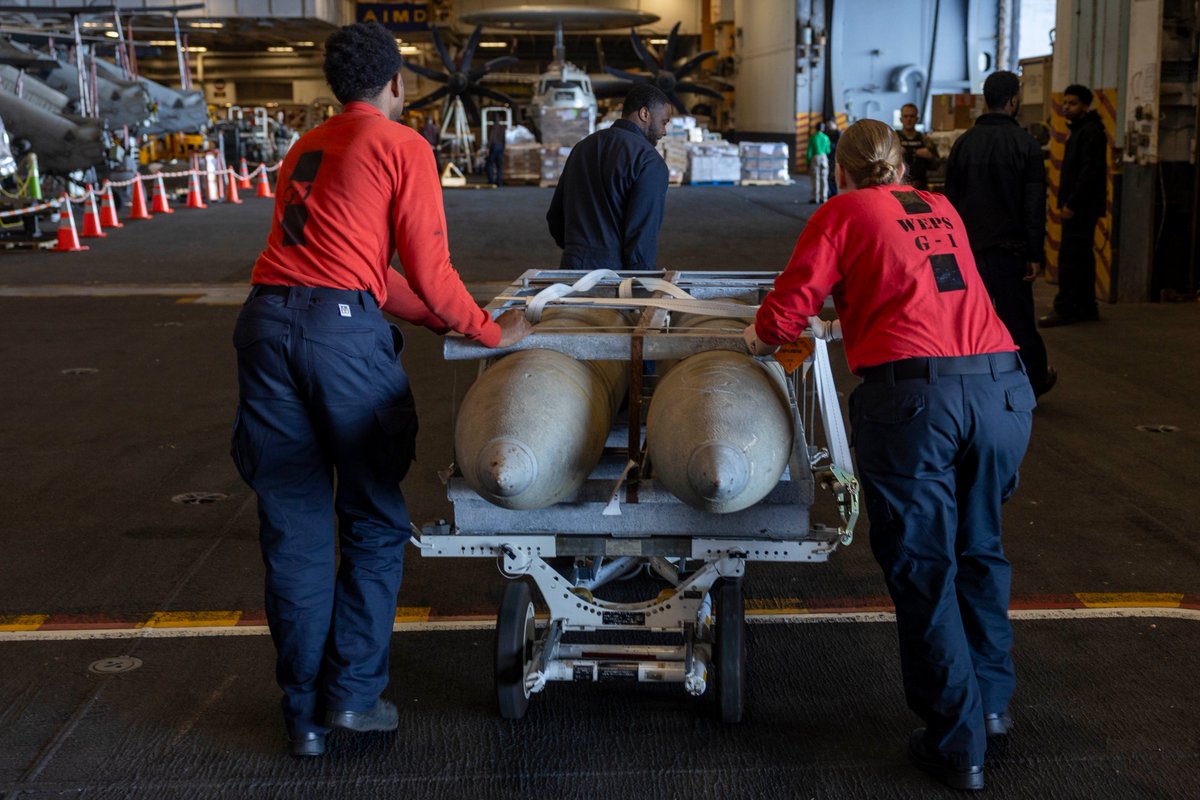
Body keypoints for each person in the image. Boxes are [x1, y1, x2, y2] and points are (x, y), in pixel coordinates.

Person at [230, 22, 530, 759]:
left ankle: (301, 715)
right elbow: (426, 265)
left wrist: (434, 320)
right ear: (396, 82)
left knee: (294, 529)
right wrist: (490, 330)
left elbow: (362, 267)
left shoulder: (309, 145)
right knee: (371, 517)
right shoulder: (402, 146)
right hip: (339, 341)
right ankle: (354, 699)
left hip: (267, 325)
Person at [744, 119, 1034, 792]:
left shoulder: (841, 212)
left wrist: (767, 337)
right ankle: (990, 707)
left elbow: (781, 318)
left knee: (925, 565)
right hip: (1001, 392)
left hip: (916, 409)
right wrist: (848, 323)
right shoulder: (939, 208)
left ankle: (955, 742)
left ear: (838, 170)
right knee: (981, 549)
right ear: (901, 167)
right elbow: (930, 295)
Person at [945, 70, 1056, 397]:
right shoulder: (1026, 144)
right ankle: (1033, 384)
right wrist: (1034, 254)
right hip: (1011, 253)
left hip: (969, 253)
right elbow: (1034, 204)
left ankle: (963, 385)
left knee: (966, 319)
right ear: (1013, 101)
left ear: (986, 100)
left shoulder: (963, 144)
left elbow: (949, 204)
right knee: (1018, 322)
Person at [546, 84, 671, 269]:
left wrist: (579, 252)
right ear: (644, 114)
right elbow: (641, 236)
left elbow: (555, 217)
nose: (664, 132)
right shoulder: (649, 161)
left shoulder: (582, 147)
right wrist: (643, 284)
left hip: (572, 269)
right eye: (664, 122)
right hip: (614, 277)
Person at [1040, 84, 1107, 327]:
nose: (1067, 107)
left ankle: (1067, 308)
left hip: (1080, 208)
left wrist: (1073, 203)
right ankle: (1086, 306)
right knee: (1081, 258)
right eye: (1065, 102)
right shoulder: (1082, 130)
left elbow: (1088, 172)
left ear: (1085, 106)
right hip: (1082, 206)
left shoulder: (1089, 131)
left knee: (1070, 258)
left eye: (1073, 103)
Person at [897, 102, 940, 190]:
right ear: (901, 119)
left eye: (912, 116)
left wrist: (930, 156)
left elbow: (937, 165)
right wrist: (895, 154)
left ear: (917, 119)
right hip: (898, 186)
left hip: (921, 187)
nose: (909, 119)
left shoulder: (925, 140)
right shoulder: (894, 139)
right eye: (906, 116)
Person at [806, 122, 831, 204]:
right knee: (824, 178)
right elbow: (828, 150)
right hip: (824, 157)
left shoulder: (813, 138)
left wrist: (808, 162)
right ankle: (824, 198)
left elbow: (809, 151)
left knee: (815, 177)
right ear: (823, 129)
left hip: (815, 157)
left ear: (816, 128)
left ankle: (815, 197)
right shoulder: (826, 138)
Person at [486, 118, 507, 187]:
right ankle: (499, 181)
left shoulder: (492, 128)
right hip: (500, 146)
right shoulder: (502, 128)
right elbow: (504, 139)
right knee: (499, 166)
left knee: (489, 163)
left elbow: (491, 138)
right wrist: (504, 148)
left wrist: (488, 148)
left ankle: (491, 180)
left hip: (494, 146)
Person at [825, 119, 841, 198]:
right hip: (832, 159)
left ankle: (833, 194)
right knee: (831, 178)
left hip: (833, 160)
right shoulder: (838, 135)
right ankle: (832, 194)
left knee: (832, 178)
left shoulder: (836, 135)